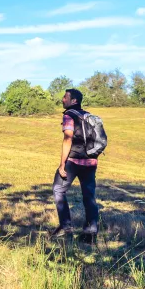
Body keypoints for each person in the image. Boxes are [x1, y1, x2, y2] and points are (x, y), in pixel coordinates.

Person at [52, 88, 99, 241]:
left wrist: (62, 164)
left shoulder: (69, 115)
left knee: (58, 190)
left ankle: (66, 228)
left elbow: (68, 139)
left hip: (73, 161)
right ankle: (90, 234)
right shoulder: (88, 116)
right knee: (89, 196)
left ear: (74, 101)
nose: (62, 99)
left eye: (65, 97)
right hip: (91, 161)